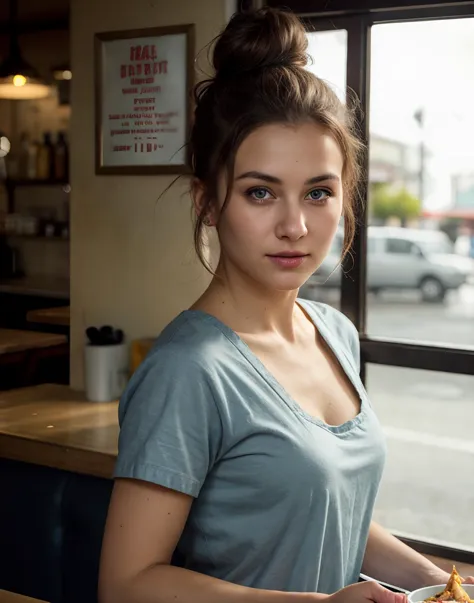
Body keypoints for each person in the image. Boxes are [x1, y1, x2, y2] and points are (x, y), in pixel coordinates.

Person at [99, 7, 473, 603]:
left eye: (319, 192)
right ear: (208, 201)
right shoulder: (189, 370)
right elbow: (126, 584)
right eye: (260, 192)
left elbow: (323, 512)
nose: (295, 225)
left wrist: (434, 580)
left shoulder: (332, 331)